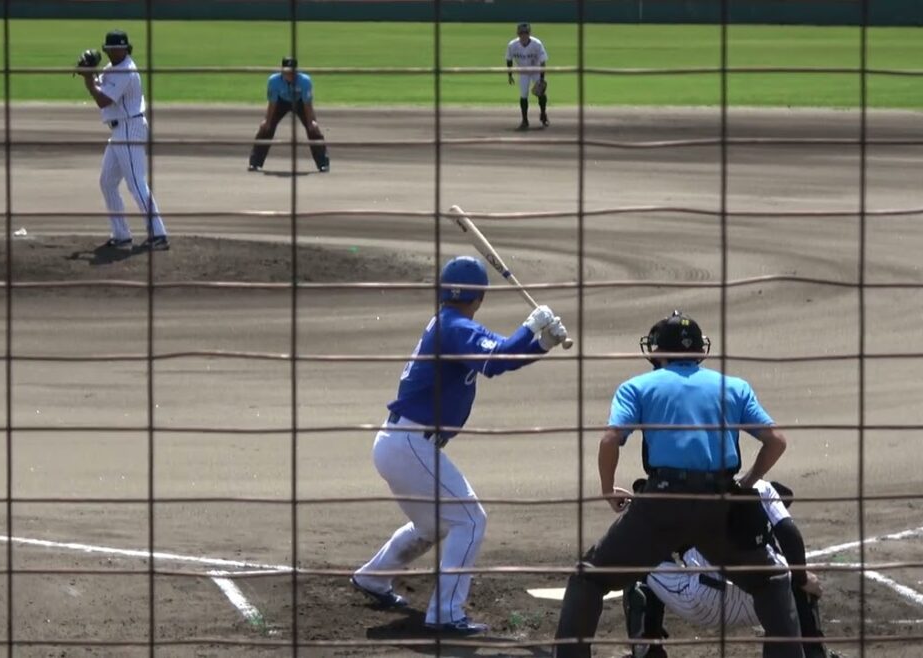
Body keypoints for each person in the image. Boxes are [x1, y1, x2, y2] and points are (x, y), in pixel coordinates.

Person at [553, 310, 804, 658]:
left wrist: (608, 488)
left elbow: (610, 440)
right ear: (700, 350)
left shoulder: (638, 387)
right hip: (719, 505)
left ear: (658, 351)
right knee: (771, 581)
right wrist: (746, 482)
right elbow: (776, 441)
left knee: (590, 577)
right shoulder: (733, 387)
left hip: (662, 505)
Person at [352, 256, 569, 635]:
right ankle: (446, 614)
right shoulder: (454, 328)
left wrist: (540, 344)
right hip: (410, 445)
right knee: (470, 520)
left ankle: (373, 577)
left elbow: (501, 353)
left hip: (400, 443)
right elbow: (496, 360)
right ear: (480, 296)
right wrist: (530, 328)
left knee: (431, 524)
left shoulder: (449, 325)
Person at [623, 479, 844, 658]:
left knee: (636, 556)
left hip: (702, 603)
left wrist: (637, 503)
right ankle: (813, 652)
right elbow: (790, 534)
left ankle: (647, 651)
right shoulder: (759, 487)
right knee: (794, 575)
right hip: (764, 601)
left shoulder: (683, 496)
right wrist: (802, 578)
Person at [77, 29, 169, 251]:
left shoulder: (127, 70)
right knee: (107, 182)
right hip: (120, 131)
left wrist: (88, 79)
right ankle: (121, 235)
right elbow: (100, 87)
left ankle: (158, 234)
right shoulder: (111, 69)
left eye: (118, 49)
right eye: (110, 49)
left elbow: (103, 100)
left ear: (126, 49)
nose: (114, 52)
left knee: (136, 183)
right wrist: (89, 73)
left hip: (130, 128)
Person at [247, 57, 330, 173]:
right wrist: (267, 121)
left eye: (292, 72)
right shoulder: (274, 81)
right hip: (281, 102)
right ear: (282, 70)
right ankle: (255, 163)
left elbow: (307, 104)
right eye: (287, 72)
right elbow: (272, 103)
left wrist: (311, 122)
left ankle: (323, 164)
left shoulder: (305, 81)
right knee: (266, 128)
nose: (290, 75)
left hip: (300, 102)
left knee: (313, 129)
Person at [506, 22, 549, 130]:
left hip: (536, 70)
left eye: (525, 33)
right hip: (523, 72)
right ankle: (525, 120)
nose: (523, 35)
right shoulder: (512, 45)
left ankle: (543, 114)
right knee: (523, 95)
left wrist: (542, 79)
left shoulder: (537, 44)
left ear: (529, 33)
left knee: (541, 93)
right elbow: (509, 60)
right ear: (518, 33)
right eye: (521, 33)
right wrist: (510, 75)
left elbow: (543, 62)